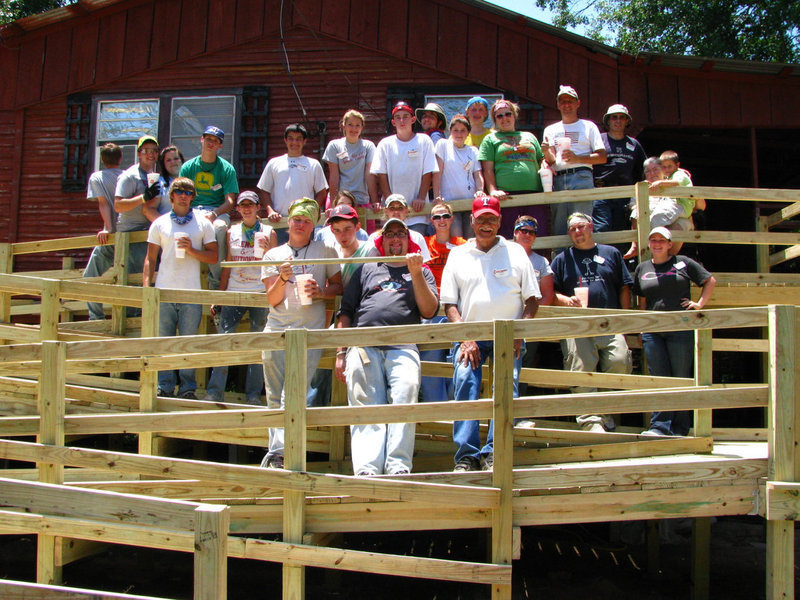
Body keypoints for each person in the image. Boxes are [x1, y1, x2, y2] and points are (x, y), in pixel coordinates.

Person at [440, 196, 540, 471]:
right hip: (469, 333)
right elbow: (449, 303)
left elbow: (532, 299)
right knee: (464, 385)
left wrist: (520, 332)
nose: (486, 224)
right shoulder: (458, 254)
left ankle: (495, 452)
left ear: (499, 222)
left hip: (508, 334)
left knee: (507, 389)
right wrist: (465, 337)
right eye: (481, 219)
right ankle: (467, 456)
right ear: (472, 221)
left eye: (491, 219)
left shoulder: (516, 252)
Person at [335, 218, 439, 476]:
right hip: (363, 345)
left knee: (405, 395)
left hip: (403, 346)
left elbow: (429, 310)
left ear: (408, 239)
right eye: (389, 234)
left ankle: (398, 467)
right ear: (382, 242)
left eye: (400, 234)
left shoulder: (422, 271)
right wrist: (340, 353)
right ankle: (367, 470)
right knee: (366, 405)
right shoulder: (367, 268)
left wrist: (415, 273)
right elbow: (345, 312)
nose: (395, 238)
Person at [259, 197, 343, 469]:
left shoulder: (325, 249)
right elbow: (272, 300)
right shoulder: (273, 255)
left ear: (313, 226)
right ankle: (276, 453)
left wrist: (322, 292)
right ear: (288, 221)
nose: (301, 224)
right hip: (276, 330)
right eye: (297, 219)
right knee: (274, 395)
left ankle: (286, 453)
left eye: (307, 220)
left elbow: (338, 286)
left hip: (308, 332)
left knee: (293, 393)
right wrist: (283, 278)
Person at [550, 213, 632, 432]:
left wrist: (625, 320)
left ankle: (605, 413)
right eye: (573, 229)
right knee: (580, 367)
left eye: (581, 227)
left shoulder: (611, 253)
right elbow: (550, 293)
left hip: (609, 322)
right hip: (577, 324)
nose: (578, 232)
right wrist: (566, 300)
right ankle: (590, 420)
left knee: (620, 362)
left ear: (591, 227)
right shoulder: (561, 259)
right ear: (569, 234)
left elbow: (624, 286)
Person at [633, 227, 716, 436]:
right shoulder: (642, 268)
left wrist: (699, 304)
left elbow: (709, 280)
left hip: (680, 327)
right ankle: (659, 427)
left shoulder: (683, 262)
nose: (658, 243)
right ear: (649, 244)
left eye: (662, 240)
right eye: (653, 240)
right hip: (653, 330)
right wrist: (641, 326)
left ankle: (680, 429)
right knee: (658, 378)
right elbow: (641, 299)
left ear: (670, 244)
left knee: (680, 376)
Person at [142, 178, 218, 399]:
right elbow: (150, 259)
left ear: (193, 196)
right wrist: (147, 288)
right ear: (172, 196)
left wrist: (192, 250)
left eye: (188, 192)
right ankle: (165, 386)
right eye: (179, 191)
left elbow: (214, 257)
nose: (184, 195)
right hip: (164, 292)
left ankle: (187, 389)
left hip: (190, 293)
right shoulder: (160, 223)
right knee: (163, 342)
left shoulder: (203, 223)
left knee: (188, 343)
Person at [204, 191, 276, 405]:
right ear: (237, 208)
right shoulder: (231, 231)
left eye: (250, 205)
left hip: (260, 293)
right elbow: (227, 264)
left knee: (257, 343)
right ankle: (215, 391)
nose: (246, 208)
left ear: (257, 208)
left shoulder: (269, 232)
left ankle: (253, 394)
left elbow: (274, 266)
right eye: (242, 205)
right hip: (235, 291)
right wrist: (220, 295)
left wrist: (266, 254)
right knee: (224, 340)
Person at [178, 126, 239, 290]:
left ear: (220, 146)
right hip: (193, 210)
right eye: (208, 139)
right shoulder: (188, 167)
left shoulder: (226, 169)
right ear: (201, 139)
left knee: (218, 229)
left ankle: (217, 282)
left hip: (217, 211)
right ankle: (179, 280)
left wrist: (214, 214)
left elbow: (230, 202)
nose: (211, 143)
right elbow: (180, 196)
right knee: (177, 231)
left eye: (215, 141)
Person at [542, 86, 607, 237]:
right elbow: (552, 160)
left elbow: (602, 156)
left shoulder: (589, 126)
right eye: (563, 102)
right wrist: (546, 152)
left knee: (581, 222)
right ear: (558, 105)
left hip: (581, 175)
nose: (566, 105)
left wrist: (578, 158)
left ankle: (584, 258)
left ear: (578, 103)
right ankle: (560, 258)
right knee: (559, 224)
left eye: (570, 101)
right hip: (558, 178)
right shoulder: (550, 129)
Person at [419, 203, 466, 403]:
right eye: (437, 217)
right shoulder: (424, 244)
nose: (441, 220)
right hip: (432, 310)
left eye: (445, 216)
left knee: (458, 359)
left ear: (452, 218)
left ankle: (454, 411)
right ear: (431, 221)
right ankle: (434, 410)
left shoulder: (462, 244)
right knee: (430, 360)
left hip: (455, 308)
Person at [478, 99, 545, 239]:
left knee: (536, 234)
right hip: (506, 197)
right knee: (509, 236)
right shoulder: (490, 139)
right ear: (495, 120)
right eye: (499, 116)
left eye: (508, 114)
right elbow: (488, 170)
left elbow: (541, 160)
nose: (504, 118)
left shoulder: (529, 136)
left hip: (534, 194)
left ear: (514, 116)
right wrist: (493, 191)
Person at [371, 101, 438, 236]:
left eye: (406, 116)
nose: (402, 120)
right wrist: (390, 201)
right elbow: (381, 175)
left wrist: (420, 197)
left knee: (416, 252)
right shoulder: (385, 144)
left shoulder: (424, 140)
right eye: (398, 117)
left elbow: (428, 172)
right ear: (393, 122)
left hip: (417, 212)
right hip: (392, 214)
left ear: (413, 119)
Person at [257, 123, 328, 242]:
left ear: (304, 141)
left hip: (304, 222)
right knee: (281, 259)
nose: (294, 142)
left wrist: (311, 211)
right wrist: (271, 211)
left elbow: (322, 192)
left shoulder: (313, 164)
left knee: (304, 259)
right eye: (291, 138)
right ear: (285, 140)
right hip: (280, 222)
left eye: (299, 139)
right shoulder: (274, 163)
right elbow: (264, 190)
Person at [113, 135, 163, 292]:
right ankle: (135, 314)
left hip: (148, 233)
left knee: (153, 275)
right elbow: (118, 206)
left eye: (154, 151)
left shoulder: (154, 177)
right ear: (139, 153)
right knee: (135, 279)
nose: (151, 154)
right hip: (131, 233)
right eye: (146, 150)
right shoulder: (130, 176)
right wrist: (143, 198)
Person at [82, 142, 123, 320]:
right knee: (131, 277)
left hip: (112, 237)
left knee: (90, 276)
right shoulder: (126, 176)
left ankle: (96, 317)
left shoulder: (97, 177)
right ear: (120, 159)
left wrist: (107, 228)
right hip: (130, 235)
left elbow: (103, 203)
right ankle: (131, 316)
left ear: (102, 159)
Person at [592, 104, 647, 232]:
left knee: (622, 231)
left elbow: (645, 169)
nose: (618, 121)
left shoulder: (634, 144)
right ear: (608, 121)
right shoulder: (599, 140)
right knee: (601, 228)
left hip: (625, 194)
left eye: (622, 117)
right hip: (601, 192)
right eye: (614, 117)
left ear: (627, 121)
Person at [624, 157, 692, 258]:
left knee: (680, 225)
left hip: (676, 218)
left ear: (663, 170)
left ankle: (667, 261)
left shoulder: (673, 181)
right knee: (637, 213)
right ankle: (638, 248)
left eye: (655, 169)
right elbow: (632, 206)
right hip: (648, 222)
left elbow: (698, 204)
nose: (652, 173)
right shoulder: (641, 186)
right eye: (648, 171)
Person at [433, 114, 484, 238]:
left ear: (468, 133)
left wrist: (480, 191)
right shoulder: (443, 145)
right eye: (455, 130)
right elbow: (437, 172)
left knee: (470, 240)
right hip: (450, 204)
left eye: (463, 131)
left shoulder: (473, 151)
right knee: (457, 239)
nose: (459, 134)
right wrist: (437, 196)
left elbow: (478, 175)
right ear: (450, 131)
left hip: (470, 203)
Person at [322, 110, 379, 218]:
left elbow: (369, 175)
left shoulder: (368, 146)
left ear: (362, 127)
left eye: (358, 125)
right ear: (343, 126)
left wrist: (374, 201)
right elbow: (334, 176)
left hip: (361, 200)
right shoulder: (334, 145)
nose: (354, 129)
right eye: (350, 125)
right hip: (340, 200)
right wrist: (335, 204)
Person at [366, 194, 432, 263]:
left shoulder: (417, 237)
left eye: (400, 208)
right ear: (386, 211)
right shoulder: (374, 237)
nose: (396, 211)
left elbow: (425, 264)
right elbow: (369, 264)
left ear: (406, 211)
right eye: (392, 208)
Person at [144, 145, 184, 221]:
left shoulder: (192, 181)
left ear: (181, 160)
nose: (173, 162)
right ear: (163, 165)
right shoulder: (158, 183)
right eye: (168, 160)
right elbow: (148, 209)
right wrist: (165, 225)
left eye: (176, 158)